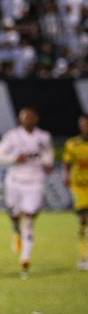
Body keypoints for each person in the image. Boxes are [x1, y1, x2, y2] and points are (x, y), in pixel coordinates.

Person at [0, 107, 54, 276]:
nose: (28, 120)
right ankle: (15, 231)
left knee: (29, 218)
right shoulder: (13, 137)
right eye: (25, 118)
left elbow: (48, 154)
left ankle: (25, 259)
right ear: (20, 120)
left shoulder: (44, 137)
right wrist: (13, 159)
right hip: (15, 182)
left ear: (36, 119)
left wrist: (48, 163)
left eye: (30, 117)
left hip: (35, 182)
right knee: (14, 215)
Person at [62, 115, 88, 270]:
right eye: (83, 125)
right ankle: (84, 256)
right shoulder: (72, 144)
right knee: (84, 219)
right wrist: (66, 177)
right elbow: (67, 162)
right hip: (79, 187)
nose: (85, 128)